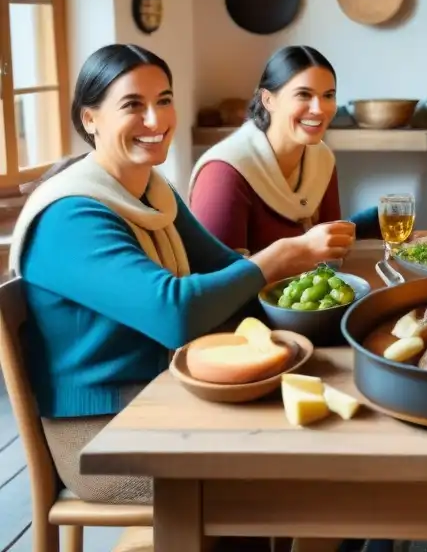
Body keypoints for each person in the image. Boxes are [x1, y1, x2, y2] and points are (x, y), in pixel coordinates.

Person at [8, 44, 355, 504]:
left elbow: (226, 269)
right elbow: (176, 313)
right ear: (90, 119)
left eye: (165, 100)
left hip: (165, 392)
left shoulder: (152, 190)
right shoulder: (69, 217)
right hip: (101, 435)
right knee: (284, 479)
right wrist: (274, 259)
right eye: (133, 105)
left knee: (323, 450)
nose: (156, 120)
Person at [189, 45, 378, 254]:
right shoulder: (223, 173)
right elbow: (220, 281)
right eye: (304, 95)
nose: (319, 109)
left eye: (328, 95)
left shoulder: (321, 158)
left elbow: (329, 257)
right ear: (268, 100)